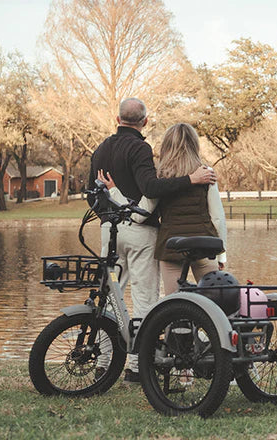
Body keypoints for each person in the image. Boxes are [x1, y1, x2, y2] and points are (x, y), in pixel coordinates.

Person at [89, 98, 216, 384]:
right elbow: (150, 187)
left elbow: (91, 194)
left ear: (117, 119)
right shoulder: (140, 148)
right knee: (144, 298)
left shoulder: (100, 150)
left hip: (109, 230)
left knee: (109, 295)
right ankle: (136, 366)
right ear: (145, 122)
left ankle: (102, 362)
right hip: (141, 231)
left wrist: (109, 216)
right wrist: (190, 179)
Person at [99, 122, 227, 294]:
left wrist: (114, 191)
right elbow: (217, 217)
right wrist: (221, 254)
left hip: (172, 246)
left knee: (173, 303)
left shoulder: (160, 176)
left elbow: (140, 215)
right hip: (205, 245)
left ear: (166, 146)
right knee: (215, 299)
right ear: (194, 145)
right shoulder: (206, 173)